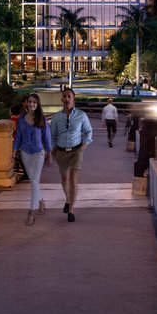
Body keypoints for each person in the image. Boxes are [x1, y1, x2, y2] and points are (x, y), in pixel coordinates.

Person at [50, 87, 94, 222]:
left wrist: (83, 147)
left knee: (74, 178)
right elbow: (52, 136)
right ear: (61, 99)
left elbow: (88, 132)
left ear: (73, 99)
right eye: (65, 96)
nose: (67, 99)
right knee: (64, 179)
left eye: (69, 96)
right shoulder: (57, 117)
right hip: (61, 152)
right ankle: (68, 200)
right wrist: (52, 152)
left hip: (77, 151)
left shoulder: (81, 115)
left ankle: (72, 210)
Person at [12, 92, 53, 225]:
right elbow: (18, 137)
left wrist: (49, 154)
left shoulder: (42, 120)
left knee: (34, 181)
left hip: (38, 153)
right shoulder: (21, 120)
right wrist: (14, 152)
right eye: (30, 101)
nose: (31, 104)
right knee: (33, 181)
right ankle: (41, 202)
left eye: (34, 102)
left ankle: (31, 212)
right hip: (25, 153)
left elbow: (47, 138)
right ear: (26, 103)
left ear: (38, 104)